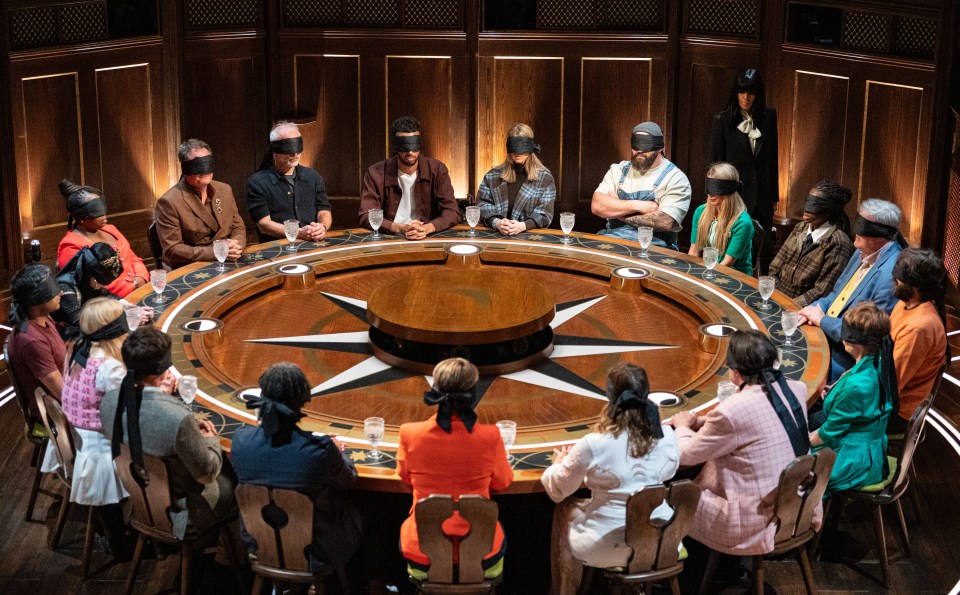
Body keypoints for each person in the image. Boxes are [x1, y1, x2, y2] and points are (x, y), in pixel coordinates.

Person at [670, 330, 814, 587]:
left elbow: (686, 456)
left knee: (677, 497)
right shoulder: (796, 388)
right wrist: (704, 421)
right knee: (712, 469)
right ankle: (724, 569)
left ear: (734, 373)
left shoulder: (731, 412)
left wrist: (682, 426)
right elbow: (754, 418)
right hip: (799, 507)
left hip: (754, 522)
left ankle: (694, 579)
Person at [540, 362, 679, 595]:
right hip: (660, 540)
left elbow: (558, 490)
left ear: (609, 397)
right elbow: (669, 472)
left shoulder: (593, 444)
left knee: (564, 508)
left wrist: (559, 464)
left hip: (606, 546)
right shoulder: (667, 437)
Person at [101, 327, 237, 544]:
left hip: (138, 496)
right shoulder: (177, 418)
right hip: (181, 509)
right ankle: (227, 553)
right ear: (163, 369)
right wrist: (211, 439)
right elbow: (207, 475)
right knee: (240, 479)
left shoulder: (108, 401)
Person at [232, 362, 363, 578]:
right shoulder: (319, 450)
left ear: (262, 395)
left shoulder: (240, 440)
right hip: (317, 551)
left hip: (257, 544)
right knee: (364, 509)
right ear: (303, 401)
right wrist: (339, 453)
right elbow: (348, 480)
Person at [396, 358, 513, 579]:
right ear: (473, 392)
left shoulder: (409, 433)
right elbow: (503, 482)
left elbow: (405, 478)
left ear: (435, 390)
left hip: (423, 555)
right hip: (482, 555)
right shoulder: (491, 436)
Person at [799, 198, 904, 381]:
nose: (855, 233)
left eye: (862, 229)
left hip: (844, 357)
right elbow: (835, 294)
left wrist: (823, 321)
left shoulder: (891, 275)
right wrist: (813, 309)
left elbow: (866, 335)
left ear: (879, 236)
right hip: (824, 335)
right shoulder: (861, 252)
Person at [60, 298, 130, 558]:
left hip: (80, 437)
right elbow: (127, 410)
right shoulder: (110, 368)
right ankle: (121, 542)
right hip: (102, 446)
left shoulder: (77, 348)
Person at [810, 302, 894, 494]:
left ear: (854, 342)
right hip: (871, 448)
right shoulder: (879, 360)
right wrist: (837, 389)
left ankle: (807, 520)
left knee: (786, 471)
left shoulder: (856, 386)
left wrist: (793, 442)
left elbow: (827, 435)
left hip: (853, 459)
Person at [708, 68, 779, 269]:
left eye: (751, 93)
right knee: (735, 251)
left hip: (763, 196)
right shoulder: (722, 120)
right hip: (735, 196)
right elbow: (715, 164)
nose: (745, 98)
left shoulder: (769, 116)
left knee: (764, 251)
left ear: (758, 94)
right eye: (741, 92)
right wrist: (716, 196)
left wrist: (774, 195)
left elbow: (772, 157)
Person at [591, 121, 691, 250]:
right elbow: (596, 205)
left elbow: (666, 221)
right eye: (636, 146)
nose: (639, 151)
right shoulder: (618, 170)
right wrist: (641, 205)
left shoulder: (675, 178)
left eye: (646, 146)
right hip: (613, 239)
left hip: (656, 246)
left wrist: (619, 212)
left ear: (660, 147)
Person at [358, 116, 460, 240]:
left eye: (414, 145)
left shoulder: (437, 170)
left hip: (427, 237)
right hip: (389, 237)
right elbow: (366, 215)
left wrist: (427, 228)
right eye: (404, 145)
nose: (410, 152)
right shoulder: (376, 173)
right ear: (395, 145)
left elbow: (452, 212)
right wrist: (400, 228)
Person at [155, 139, 247, 269]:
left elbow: (238, 227)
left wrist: (236, 245)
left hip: (229, 260)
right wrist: (216, 252)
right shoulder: (169, 202)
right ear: (185, 169)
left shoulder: (225, 190)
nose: (204, 171)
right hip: (192, 266)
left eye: (207, 164)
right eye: (198, 166)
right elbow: (172, 249)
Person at [887, 248, 948, 434]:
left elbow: (890, 384)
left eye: (898, 279)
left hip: (896, 411)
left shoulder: (919, 329)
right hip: (887, 392)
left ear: (914, 287)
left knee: (817, 420)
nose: (893, 282)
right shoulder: (904, 305)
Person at [57, 180, 149, 298]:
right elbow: (90, 285)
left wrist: (141, 277)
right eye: (97, 212)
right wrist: (132, 286)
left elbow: (133, 259)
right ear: (82, 216)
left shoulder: (111, 229)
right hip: (108, 303)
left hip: (140, 290)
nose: (104, 216)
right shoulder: (70, 245)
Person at [768, 181, 855, 307]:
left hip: (802, 311)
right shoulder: (801, 227)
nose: (807, 209)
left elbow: (822, 291)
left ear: (829, 210)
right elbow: (775, 267)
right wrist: (775, 297)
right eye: (808, 201)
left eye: (816, 204)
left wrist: (788, 306)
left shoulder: (838, 243)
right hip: (776, 300)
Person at [246, 121, 332, 243]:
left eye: (297, 147)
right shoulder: (257, 183)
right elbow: (264, 225)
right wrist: (298, 233)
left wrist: (322, 227)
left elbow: (324, 210)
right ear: (274, 150)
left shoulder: (313, 177)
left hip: (313, 244)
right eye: (288, 148)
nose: (295, 153)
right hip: (277, 248)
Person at [52, 242, 152, 340]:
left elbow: (106, 295)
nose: (103, 286)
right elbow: (82, 324)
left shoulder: (86, 276)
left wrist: (129, 307)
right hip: (70, 339)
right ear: (95, 280)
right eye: (103, 283)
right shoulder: (65, 287)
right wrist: (125, 320)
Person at [8, 264, 67, 418]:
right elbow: (63, 394)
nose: (60, 292)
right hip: (54, 413)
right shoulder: (32, 341)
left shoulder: (44, 318)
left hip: (67, 390)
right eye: (53, 290)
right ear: (37, 299)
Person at [476, 123, 556, 234]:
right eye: (514, 148)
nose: (517, 153)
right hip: (496, 236)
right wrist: (497, 222)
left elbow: (545, 214)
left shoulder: (545, 179)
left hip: (529, 238)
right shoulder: (492, 176)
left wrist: (523, 226)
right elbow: (482, 205)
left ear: (531, 147)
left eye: (522, 148)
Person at [687, 162, 754, 276]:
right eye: (709, 188)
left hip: (734, 276)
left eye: (716, 189)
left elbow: (727, 264)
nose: (710, 195)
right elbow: (693, 251)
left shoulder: (743, 223)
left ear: (729, 190)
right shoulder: (700, 212)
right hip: (707, 270)